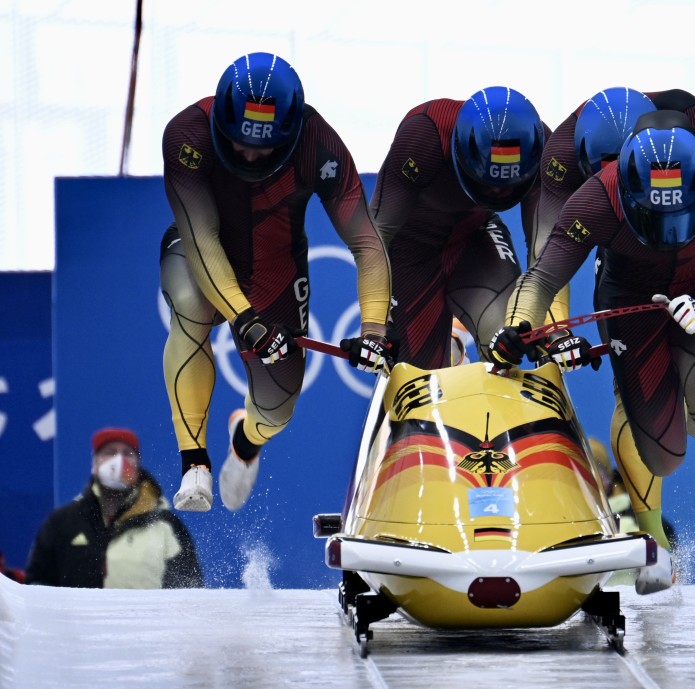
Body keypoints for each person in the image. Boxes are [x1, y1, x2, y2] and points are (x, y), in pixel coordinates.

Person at [488, 109, 695, 592]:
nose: (666, 226)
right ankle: (651, 542)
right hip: (628, 293)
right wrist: (519, 328)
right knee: (647, 427)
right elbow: (543, 278)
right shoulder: (596, 198)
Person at [160, 52, 393, 513]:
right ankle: (194, 463)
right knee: (189, 306)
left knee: (277, 408)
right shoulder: (187, 134)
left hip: (275, 267)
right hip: (200, 249)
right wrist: (244, 318)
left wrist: (374, 331)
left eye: (264, 147)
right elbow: (202, 237)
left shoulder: (319, 145)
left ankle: (245, 442)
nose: (249, 153)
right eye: (239, 141)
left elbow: (366, 242)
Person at [534, 87, 695, 593]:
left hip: (688, 256)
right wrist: (558, 332)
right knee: (636, 402)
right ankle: (648, 546)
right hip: (620, 257)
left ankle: (667, 538)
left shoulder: (694, 127)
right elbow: (551, 261)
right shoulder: (560, 161)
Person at [369, 86, 546, 369]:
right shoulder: (424, 134)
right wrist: (376, 324)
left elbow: (546, 252)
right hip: (409, 250)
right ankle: (452, 347)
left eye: (508, 182)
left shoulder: (541, 148)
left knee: (505, 343)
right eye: (487, 180)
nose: (498, 192)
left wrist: (548, 327)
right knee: (417, 377)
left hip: (475, 236)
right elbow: (375, 237)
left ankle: (456, 342)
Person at [24, 428, 203, 589]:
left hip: (147, 625)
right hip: (77, 625)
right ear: (94, 464)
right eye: (110, 453)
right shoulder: (63, 521)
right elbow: (38, 584)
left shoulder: (164, 523)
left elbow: (188, 590)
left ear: (137, 465)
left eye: (128, 454)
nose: (119, 461)